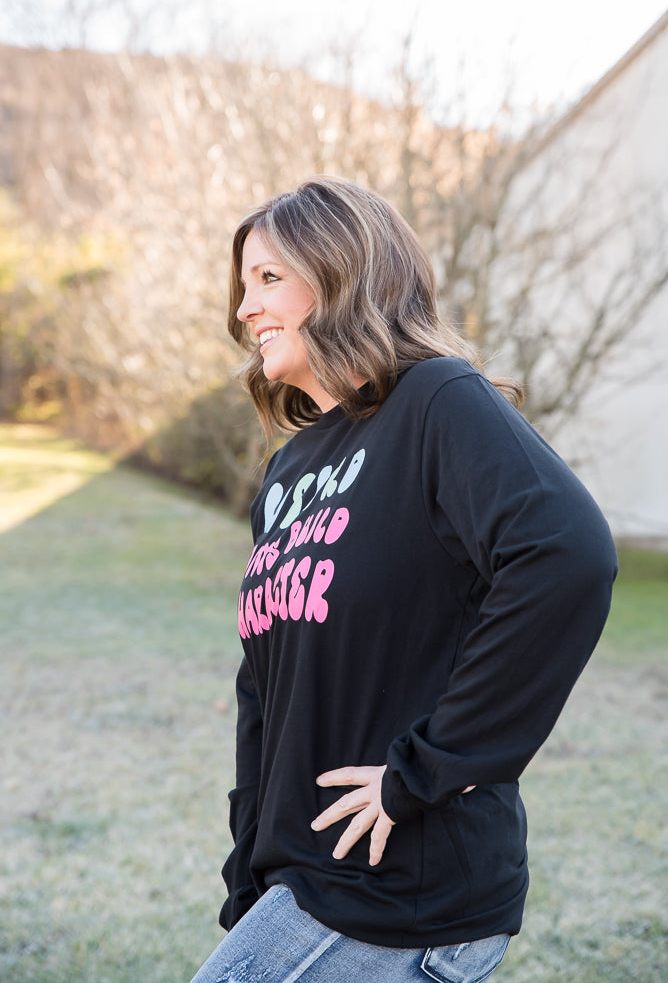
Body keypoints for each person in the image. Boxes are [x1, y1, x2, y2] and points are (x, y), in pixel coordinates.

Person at [189, 176, 617, 983]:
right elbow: (265, 689)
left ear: (343, 275)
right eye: (244, 284)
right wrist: (249, 874)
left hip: (402, 890)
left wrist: (426, 771)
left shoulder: (436, 401)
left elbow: (565, 557)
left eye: (270, 277)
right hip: (300, 880)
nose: (244, 308)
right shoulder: (287, 473)